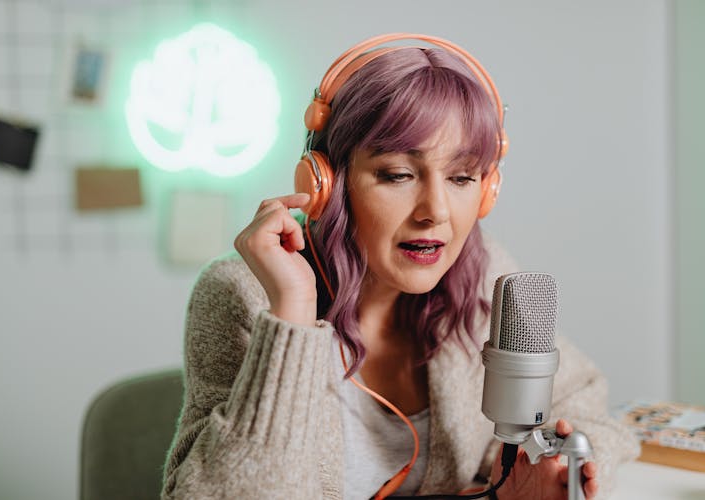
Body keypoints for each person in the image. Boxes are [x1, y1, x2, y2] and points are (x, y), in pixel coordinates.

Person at [161, 33, 639, 500]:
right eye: (398, 174)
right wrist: (292, 315)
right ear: (327, 182)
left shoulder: (484, 273)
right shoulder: (244, 295)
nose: (435, 210)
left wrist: (542, 475)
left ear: (487, 190)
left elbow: (588, 410)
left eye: (461, 177)